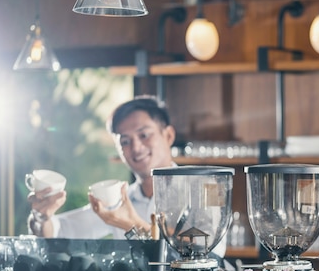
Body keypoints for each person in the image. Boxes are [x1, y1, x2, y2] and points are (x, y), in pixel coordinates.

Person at [27, 96, 227, 257]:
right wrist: (41, 216)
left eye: (144, 135)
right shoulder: (118, 200)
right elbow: (60, 232)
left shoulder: (207, 187)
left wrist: (132, 225)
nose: (136, 147)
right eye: (125, 141)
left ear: (168, 135)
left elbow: (209, 250)